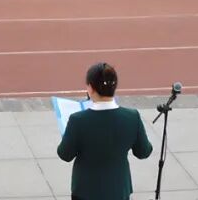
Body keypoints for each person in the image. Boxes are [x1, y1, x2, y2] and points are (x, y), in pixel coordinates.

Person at [57, 62, 152, 200]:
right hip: (118, 190)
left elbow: (65, 154)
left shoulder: (77, 120)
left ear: (90, 88)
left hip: (85, 191)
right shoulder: (132, 117)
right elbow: (143, 152)